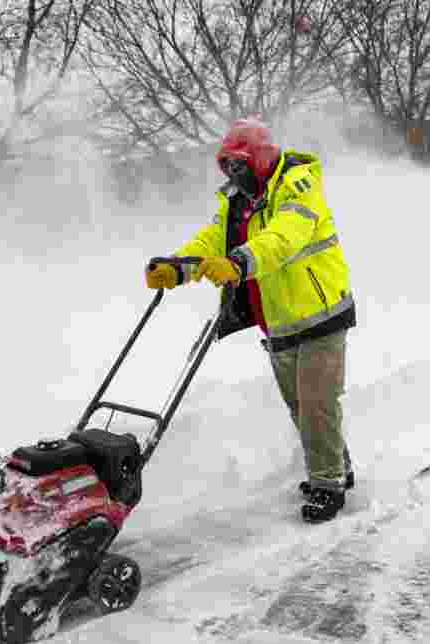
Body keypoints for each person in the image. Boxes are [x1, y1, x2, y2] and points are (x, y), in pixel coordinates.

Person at [144, 118, 356, 523]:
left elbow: (284, 236)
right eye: (227, 166)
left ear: (258, 157)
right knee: (301, 408)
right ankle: (337, 467)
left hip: (320, 313)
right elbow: (212, 242)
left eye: (239, 163)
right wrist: (178, 267)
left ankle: (328, 484)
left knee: (316, 406)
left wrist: (239, 262)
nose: (233, 173)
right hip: (277, 321)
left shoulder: (298, 183)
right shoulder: (237, 200)